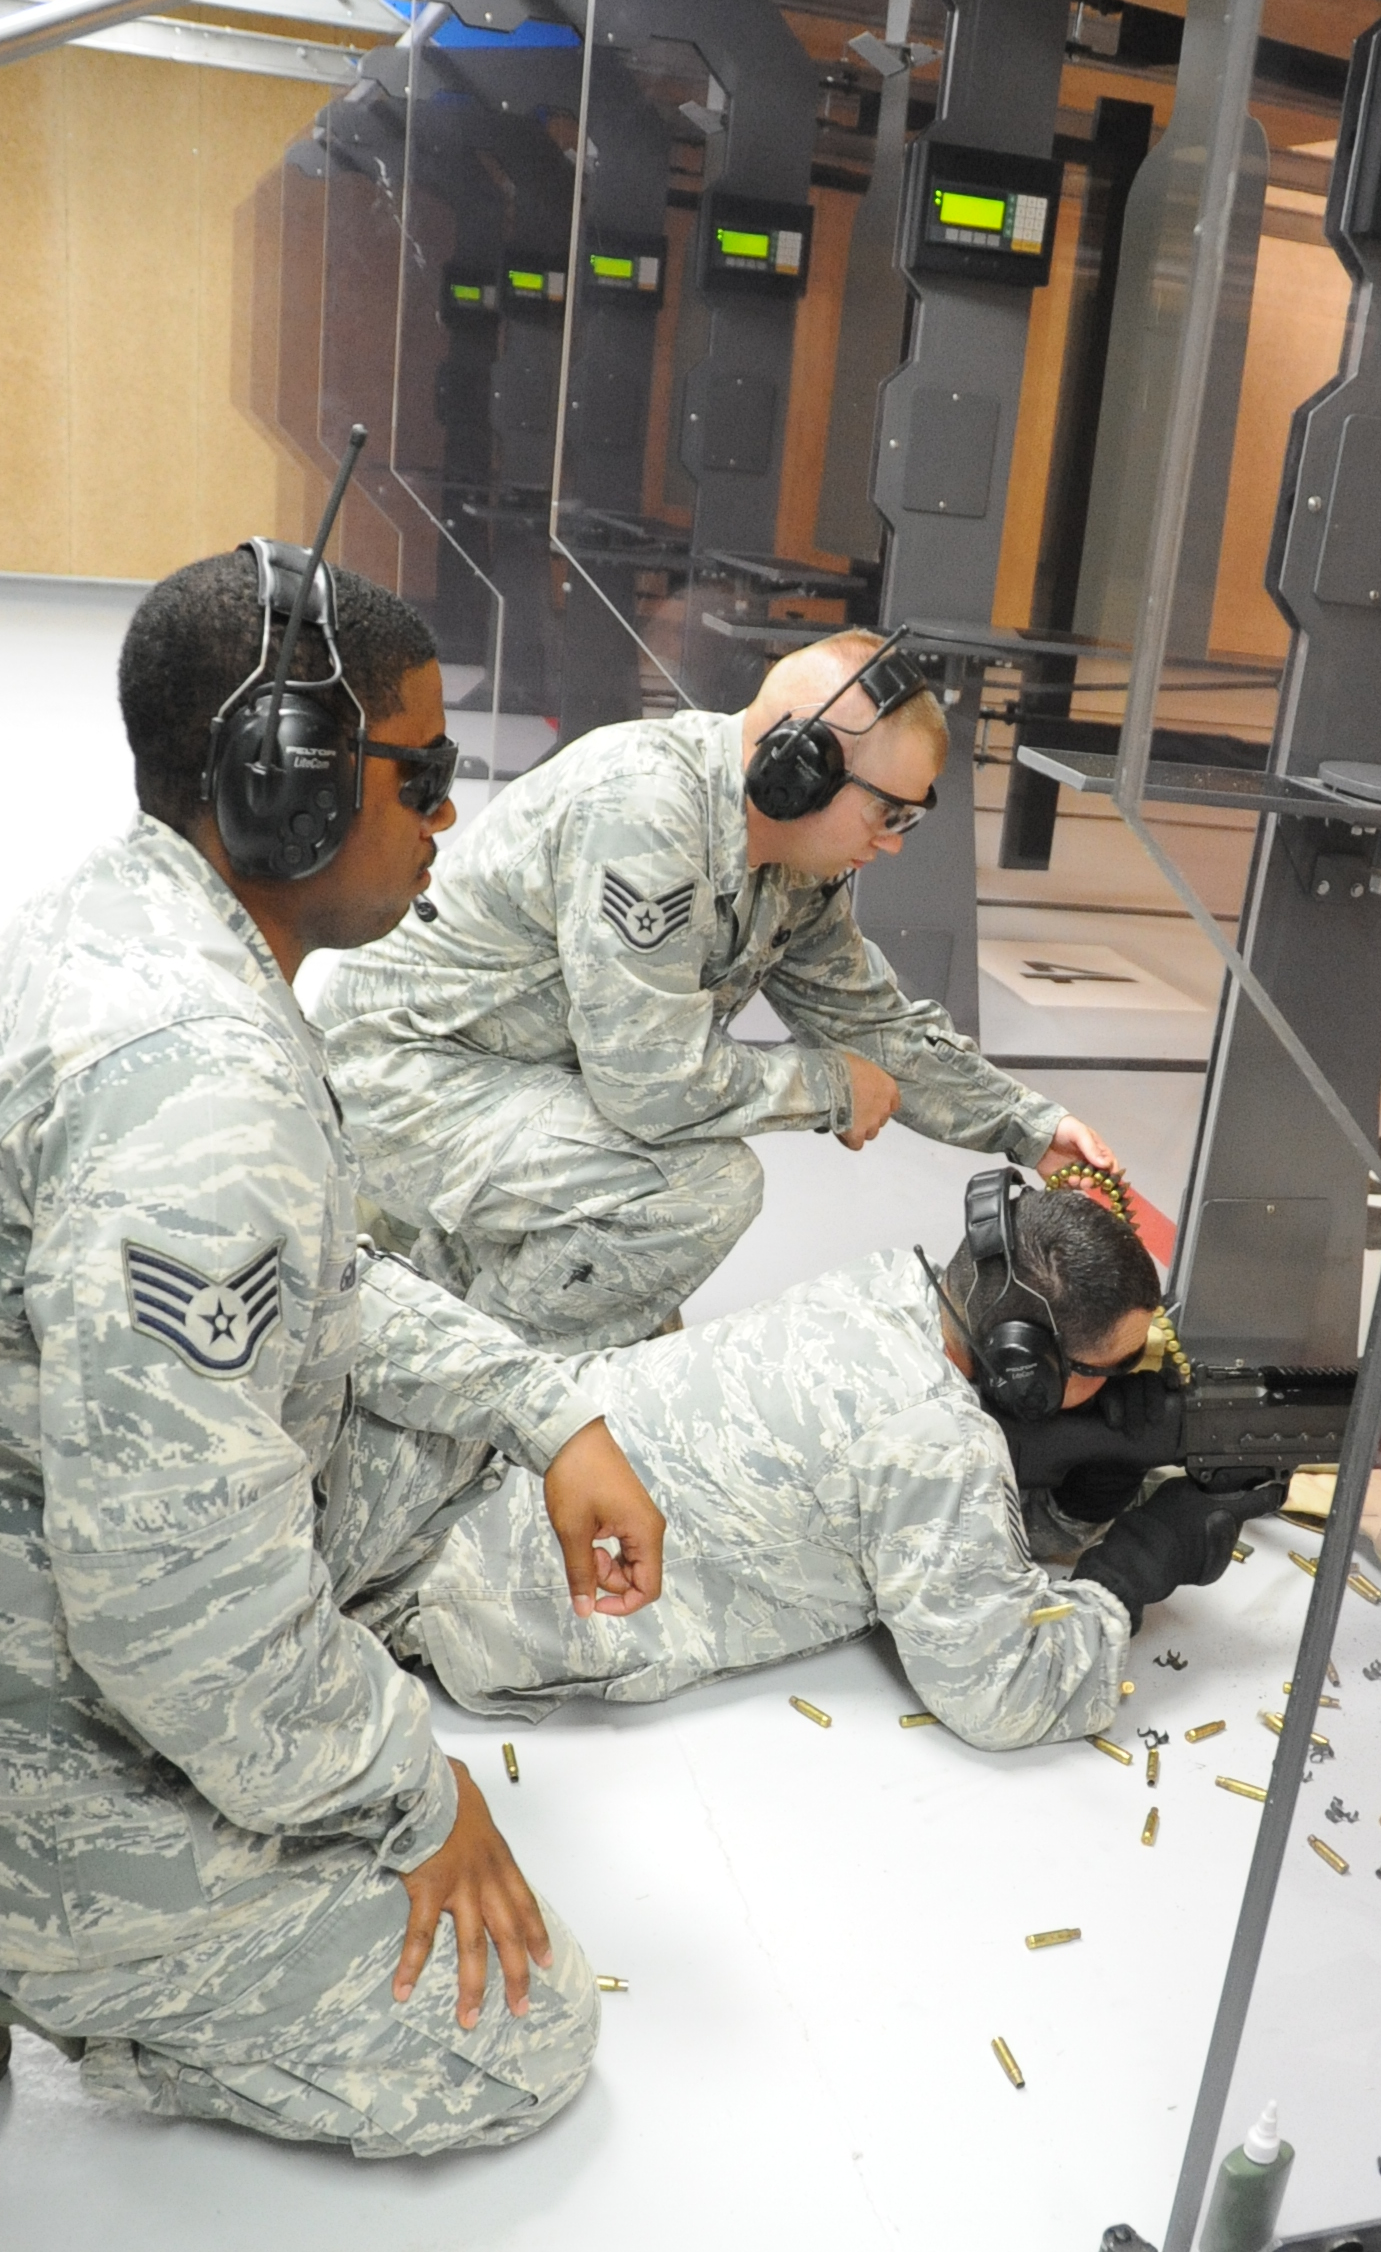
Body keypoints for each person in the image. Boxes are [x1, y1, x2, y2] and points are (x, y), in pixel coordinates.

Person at [0, 542, 666, 2157]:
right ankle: (88, 1984)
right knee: (518, 2029)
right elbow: (169, 1604)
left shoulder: (126, 920)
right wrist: (414, 1789)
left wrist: (546, 1405)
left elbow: (324, 1285)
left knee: (424, 1442)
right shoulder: (203, 1090)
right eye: (421, 773)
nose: (449, 815)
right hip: (50, 1706)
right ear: (282, 783)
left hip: (65, 1537)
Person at [307, 629, 1121, 1349]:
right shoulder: (645, 812)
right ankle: (470, 1402)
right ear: (797, 772)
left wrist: (1032, 1128)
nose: (894, 843)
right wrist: (831, 1087)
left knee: (630, 1293)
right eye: (888, 814)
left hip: (512, 1084)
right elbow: (651, 1085)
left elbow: (873, 1024)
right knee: (694, 1193)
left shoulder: (791, 861)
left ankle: (441, 1301)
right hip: (398, 1083)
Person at [396, 1186, 1271, 1749]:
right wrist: (1137, 1565)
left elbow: (905, 1503)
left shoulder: (887, 1285)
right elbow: (1002, 1697)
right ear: (1024, 1366)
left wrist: (1076, 1500)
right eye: (1106, 1375)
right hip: (467, 1599)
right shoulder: (936, 1443)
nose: (1124, 1387)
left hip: (458, 1464)